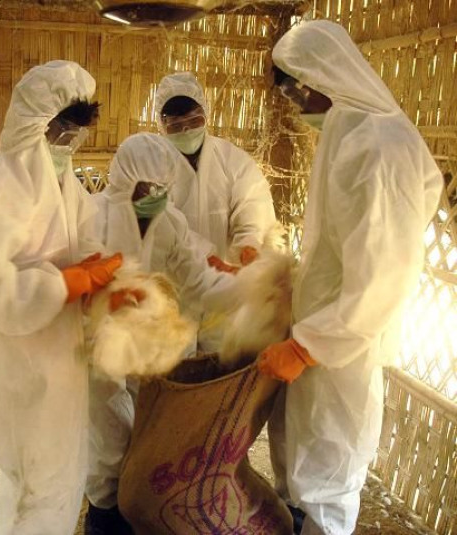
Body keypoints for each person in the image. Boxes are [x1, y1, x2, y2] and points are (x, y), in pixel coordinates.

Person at [258, 20, 443, 535]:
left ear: (320, 75)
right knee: (301, 458)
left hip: (342, 344)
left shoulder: (379, 147)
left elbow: (384, 275)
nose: (297, 105)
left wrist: (308, 345)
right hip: (322, 332)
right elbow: (338, 249)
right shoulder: (353, 133)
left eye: (296, 90)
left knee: (328, 470)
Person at [0, 60, 122, 535]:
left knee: (54, 483)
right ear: (33, 121)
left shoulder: (63, 184)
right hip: (24, 367)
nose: (68, 142)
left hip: (60, 362)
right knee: (38, 488)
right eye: (61, 129)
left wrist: (103, 275)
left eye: (76, 132)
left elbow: (83, 240)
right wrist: (64, 284)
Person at [85, 132, 237, 534]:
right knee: (106, 428)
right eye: (146, 187)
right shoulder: (92, 216)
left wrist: (243, 289)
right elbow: (76, 283)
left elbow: (196, 275)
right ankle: (103, 511)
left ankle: (138, 504)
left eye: (163, 188)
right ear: (123, 180)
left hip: (147, 348)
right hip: (98, 347)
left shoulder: (170, 221)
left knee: (150, 429)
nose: (155, 195)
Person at [154, 72, 277, 352]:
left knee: (219, 358)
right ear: (161, 125)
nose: (186, 130)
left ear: (206, 114)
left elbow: (252, 204)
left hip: (225, 285)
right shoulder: (153, 163)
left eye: (193, 120)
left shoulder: (232, 160)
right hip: (173, 289)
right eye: (175, 124)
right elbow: (159, 222)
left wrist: (248, 243)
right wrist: (201, 256)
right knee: (171, 363)